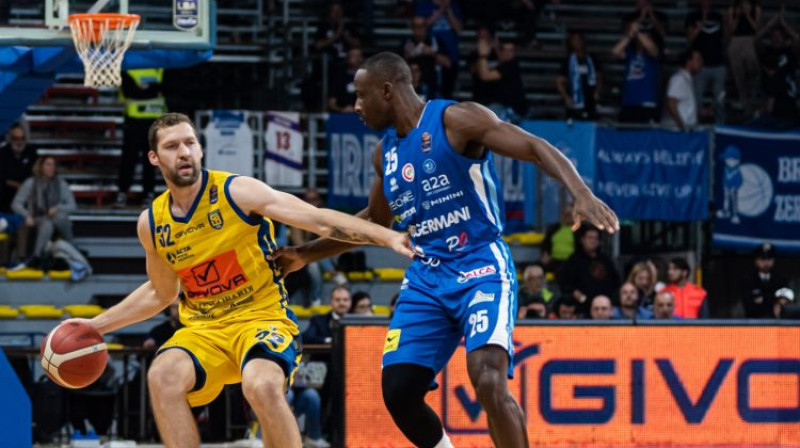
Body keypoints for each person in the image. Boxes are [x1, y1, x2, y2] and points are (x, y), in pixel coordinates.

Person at [276, 52, 618, 448]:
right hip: (426, 277)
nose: (355, 106)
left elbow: (533, 146)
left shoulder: (455, 120)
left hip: (480, 264)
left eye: (360, 95)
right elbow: (375, 223)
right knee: (398, 391)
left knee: (487, 377)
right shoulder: (383, 155)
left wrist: (580, 192)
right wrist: (305, 255)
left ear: (387, 91)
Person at [63, 113, 413, 448]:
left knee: (260, 386)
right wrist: (95, 326)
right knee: (161, 376)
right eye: (172, 146)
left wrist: (386, 237)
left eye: (190, 142)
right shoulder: (152, 223)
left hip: (261, 319)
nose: (184, 152)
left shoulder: (237, 192)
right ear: (154, 158)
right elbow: (161, 291)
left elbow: (319, 220)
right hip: (204, 331)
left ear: (200, 149)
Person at [11, 156, 77, 268]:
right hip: (36, 217)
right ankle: (39, 255)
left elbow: (73, 206)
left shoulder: (61, 183)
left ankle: (37, 257)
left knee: (59, 217)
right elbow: (16, 204)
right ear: (41, 167)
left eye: (53, 165)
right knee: (47, 223)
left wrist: (57, 208)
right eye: (48, 164)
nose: (51, 168)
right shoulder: (30, 182)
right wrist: (27, 215)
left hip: (56, 219)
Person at [115, 69, 167, 207]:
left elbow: (166, 90)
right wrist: (151, 90)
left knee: (150, 160)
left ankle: (148, 193)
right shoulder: (129, 67)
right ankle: (122, 192)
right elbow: (129, 92)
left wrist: (141, 91)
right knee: (128, 159)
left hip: (154, 122)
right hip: (133, 121)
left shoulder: (160, 69)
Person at [559, 224, 620, 317]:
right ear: (582, 239)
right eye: (590, 237)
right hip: (581, 310)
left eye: (596, 238)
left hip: (604, 308)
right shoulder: (573, 261)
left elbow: (616, 282)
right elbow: (566, 285)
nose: (593, 241)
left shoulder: (605, 260)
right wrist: (582, 298)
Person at [613, 17, 662, 123]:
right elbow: (615, 52)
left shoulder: (653, 55)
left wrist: (638, 32)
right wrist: (630, 35)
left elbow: (652, 49)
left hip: (646, 103)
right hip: (628, 102)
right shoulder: (630, 53)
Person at [685, 0, 727, 123]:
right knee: (697, 99)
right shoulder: (692, 16)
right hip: (700, 66)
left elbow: (726, 37)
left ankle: (721, 127)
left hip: (718, 64)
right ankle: (696, 125)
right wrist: (700, 25)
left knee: (719, 100)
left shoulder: (719, 16)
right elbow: (689, 38)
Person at [474, 36, 528, 119]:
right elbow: (476, 70)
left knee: (489, 115)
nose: (508, 53)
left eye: (511, 50)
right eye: (504, 50)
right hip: (501, 105)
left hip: (513, 109)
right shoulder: (499, 64)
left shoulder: (511, 65)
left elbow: (485, 76)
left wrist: (483, 55)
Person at [726, 0, 762, 118]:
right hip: (736, 41)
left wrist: (747, 14)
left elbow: (757, 28)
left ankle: (753, 102)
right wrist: (737, 15)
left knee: (753, 72)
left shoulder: (755, 8)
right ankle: (746, 108)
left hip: (750, 41)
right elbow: (731, 30)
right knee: (739, 78)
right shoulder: (733, 9)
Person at [557, 31, 603, 120]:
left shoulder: (591, 59)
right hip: (574, 100)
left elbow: (599, 77)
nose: (577, 42)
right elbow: (559, 81)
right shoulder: (568, 61)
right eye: (574, 40)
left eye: (579, 39)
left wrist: (597, 92)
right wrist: (566, 97)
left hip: (590, 100)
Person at [742, 243, 788, 318]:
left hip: (777, 323)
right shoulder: (748, 279)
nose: (766, 263)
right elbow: (748, 305)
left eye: (769, 259)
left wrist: (781, 304)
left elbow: (787, 299)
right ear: (756, 260)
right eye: (762, 259)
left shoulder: (780, 278)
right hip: (754, 324)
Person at [662, 49, 704, 130]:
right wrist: (681, 125)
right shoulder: (679, 79)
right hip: (677, 132)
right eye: (698, 60)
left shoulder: (687, 80)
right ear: (689, 62)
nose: (701, 63)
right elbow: (671, 103)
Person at [0, 123, 37, 213]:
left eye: (22, 138)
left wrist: (25, 187)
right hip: (6, 194)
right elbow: (3, 178)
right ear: (10, 139)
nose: (19, 142)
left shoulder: (31, 151)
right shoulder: (2, 153)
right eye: (15, 138)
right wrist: (18, 186)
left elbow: (36, 172)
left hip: (28, 193)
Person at [540, 202, 575, 276]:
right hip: (554, 261)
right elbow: (545, 243)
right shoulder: (554, 228)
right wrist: (545, 253)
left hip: (572, 262)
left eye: (570, 215)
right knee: (536, 267)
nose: (567, 217)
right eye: (566, 214)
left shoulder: (580, 230)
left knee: (565, 270)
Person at [328, 48, 364, 113]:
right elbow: (331, 103)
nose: (357, 59)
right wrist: (341, 110)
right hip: (343, 115)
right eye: (353, 56)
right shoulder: (338, 77)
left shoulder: (368, 78)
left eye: (358, 56)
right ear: (347, 58)